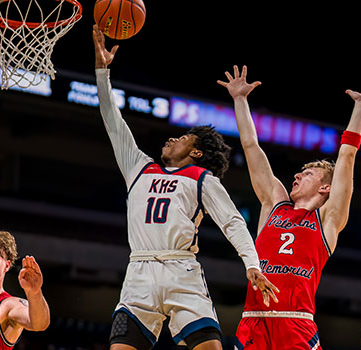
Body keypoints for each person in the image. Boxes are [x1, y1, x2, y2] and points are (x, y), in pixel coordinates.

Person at [92, 25, 278, 350]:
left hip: (182, 272)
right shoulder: (139, 167)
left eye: (182, 138)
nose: (171, 138)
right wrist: (102, 71)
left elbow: (233, 223)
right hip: (139, 273)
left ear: (195, 152)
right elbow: (113, 120)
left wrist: (252, 265)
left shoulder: (202, 179)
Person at [217, 65, 361, 349]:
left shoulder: (329, 219)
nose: (296, 175)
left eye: (307, 174)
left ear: (325, 188)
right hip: (254, 320)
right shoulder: (274, 204)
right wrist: (240, 100)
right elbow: (251, 147)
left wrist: (360, 109)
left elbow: (346, 159)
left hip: (296, 322)